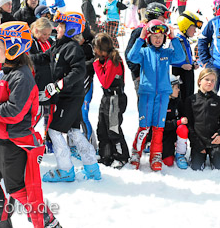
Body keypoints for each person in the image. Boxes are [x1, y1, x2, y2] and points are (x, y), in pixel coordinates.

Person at [0, 21, 61, 228]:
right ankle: (1, 222)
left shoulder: (21, 76)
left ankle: (45, 218)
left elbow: (15, 111)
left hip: (15, 141)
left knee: (17, 189)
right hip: (1, 138)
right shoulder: (9, 71)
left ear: (13, 48)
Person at [40, 11, 101, 182]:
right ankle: (92, 168)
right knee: (74, 131)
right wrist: (24, 58)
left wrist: (59, 85)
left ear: (71, 29)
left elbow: (79, 71)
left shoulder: (72, 48)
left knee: (54, 130)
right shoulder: (59, 45)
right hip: (68, 96)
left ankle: (65, 169)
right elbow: (44, 58)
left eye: (60, 26)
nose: (56, 28)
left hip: (71, 96)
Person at [127, 19, 185, 171]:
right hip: (146, 93)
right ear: (149, 37)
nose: (158, 39)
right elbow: (131, 57)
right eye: (154, 36)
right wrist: (140, 38)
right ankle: (136, 153)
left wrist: (173, 38)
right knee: (144, 126)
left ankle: (156, 155)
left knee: (159, 127)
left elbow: (180, 58)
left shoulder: (167, 53)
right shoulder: (144, 52)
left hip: (163, 94)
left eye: (161, 37)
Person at [93, 33, 129, 169]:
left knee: (113, 129)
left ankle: (121, 156)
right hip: (107, 98)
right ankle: (106, 155)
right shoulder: (106, 59)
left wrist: (97, 65)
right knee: (102, 127)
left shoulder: (113, 61)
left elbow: (106, 82)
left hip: (115, 98)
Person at [184, 68, 220, 171]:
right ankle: (196, 155)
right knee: (196, 167)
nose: (210, 82)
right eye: (207, 79)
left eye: (213, 80)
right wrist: (196, 143)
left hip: (214, 142)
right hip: (198, 141)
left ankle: (216, 156)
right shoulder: (191, 100)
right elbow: (189, 125)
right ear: (199, 81)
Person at [125, 2, 171, 96]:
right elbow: (129, 54)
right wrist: (136, 74)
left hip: (155, 77)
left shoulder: (158, 31)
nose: (165, 20)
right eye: (163, 17)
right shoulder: (140, 32)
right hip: (142, 77)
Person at [171, 11, 202, 103]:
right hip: (179, 74)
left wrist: (193, 63)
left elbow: (187, 56)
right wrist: (181, 65)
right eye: (194, 28)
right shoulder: (177, 41)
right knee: (182, 97)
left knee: (189, 95)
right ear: (186, 26)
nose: (195, 31)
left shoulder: (186, 41)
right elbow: (171, 58)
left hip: (188, 73)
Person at [162, 75, 189, 169]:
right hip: (164, 134)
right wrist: (177, 122)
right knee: (168, 162)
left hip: (175, 132)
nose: (178, 90)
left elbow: (184, 116)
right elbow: (161, 125)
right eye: (176, 88)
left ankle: (180, 154)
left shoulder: (177, 101)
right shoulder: (161, 103)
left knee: (183, 128)